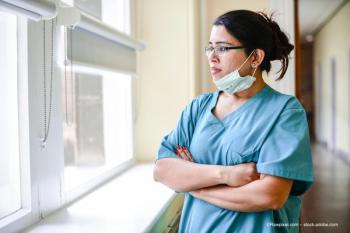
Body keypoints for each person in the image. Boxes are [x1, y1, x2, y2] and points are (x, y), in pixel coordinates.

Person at [153, 9, 313, 233]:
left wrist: (193, 184)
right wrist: (227, 175)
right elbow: (162, 169)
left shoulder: (284, 112)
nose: (212, 56)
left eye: (223, 48)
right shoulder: (198, 108)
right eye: (210, 47)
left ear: (256, 57)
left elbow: (270, 195)